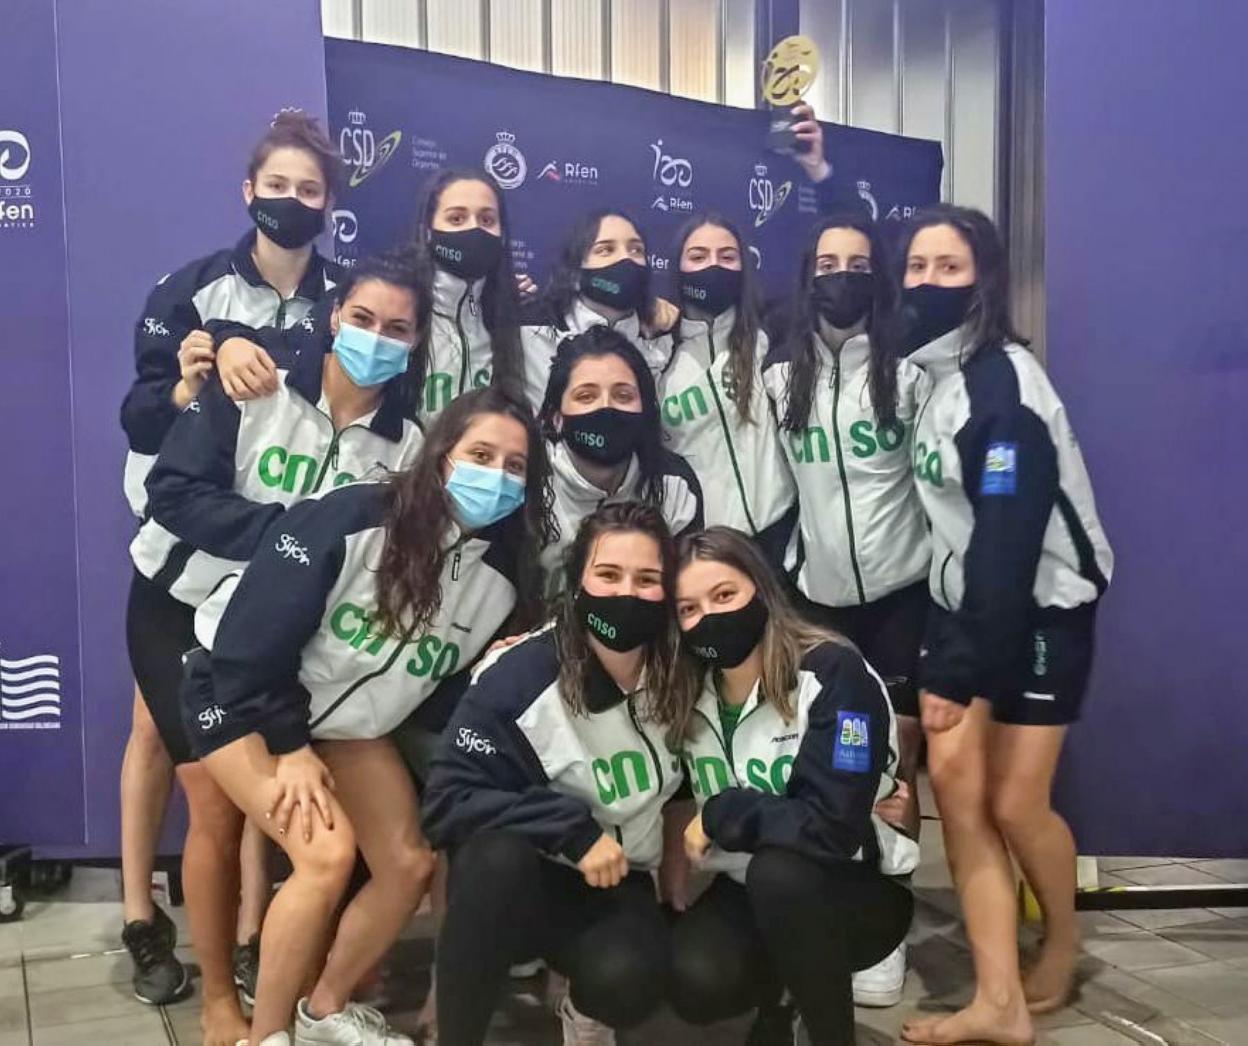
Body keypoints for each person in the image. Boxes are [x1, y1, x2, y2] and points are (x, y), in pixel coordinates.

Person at [183, 388, 553, 1046]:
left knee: (409, 863)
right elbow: (248, 641)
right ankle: (266, 1037)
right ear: (441, 457)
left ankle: (322, 1010)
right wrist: (291, 747)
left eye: (516, 466)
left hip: (347, 729)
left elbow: (435, 692)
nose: (496, 475)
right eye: (481, 454)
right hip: (241, 698)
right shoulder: (354, 516)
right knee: (325, 857)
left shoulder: (500, 579)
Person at [131, 253, 425, 1046]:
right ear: (334, 317)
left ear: (417, 341)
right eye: (363, 319)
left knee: (305, 822)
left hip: (289, 643)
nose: (376, 338)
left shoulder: (408, 449)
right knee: (216, 808)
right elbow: (172, 492)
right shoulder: (257, 381)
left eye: (398, 328)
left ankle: (292, 989)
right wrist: (295, 540)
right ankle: (220, 1002)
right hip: (179, 606)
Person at [116, 109, 343, 1008]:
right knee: (197, 780)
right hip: (181, 561)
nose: (292, 203)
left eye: (311, 190)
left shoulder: (343, 301)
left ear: (330, 205)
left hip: (274, 586)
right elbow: (138, 416)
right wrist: (189, 379)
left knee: (259, 776)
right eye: (277, 187)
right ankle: (164, 938)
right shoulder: (193, 289)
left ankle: (253, 938)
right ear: (249, 192)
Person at [897, 205, 1112, 1046]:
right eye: (916, 266)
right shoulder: (937, 375)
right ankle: (999, 1002)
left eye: (948, 268)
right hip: (971, 606)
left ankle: (1061, 941)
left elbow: (1010, 544)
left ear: (984, 278)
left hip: (1039, 611)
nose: (927, 283)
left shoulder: (1005, 387)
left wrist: (953, 676)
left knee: (1017, 804)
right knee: (956, 784)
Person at [423, 502, 686, 1046]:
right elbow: (448, 797)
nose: (626, 593)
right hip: (526, 875)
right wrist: (571, 831)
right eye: (608, 575)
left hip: (620, 877)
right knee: (495, 860)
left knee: (634, 980)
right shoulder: (520, 675)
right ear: (578, 581)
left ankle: (585, 1013)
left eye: (647, 579)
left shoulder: (683, 672)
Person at [761, 210, 929, 1006]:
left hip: (901, 596)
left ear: (878, 277)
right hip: (818, 599)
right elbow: (779, 491)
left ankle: (886, 930)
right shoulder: (779, 373)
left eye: (858, 264)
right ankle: (831, 903)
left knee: (895, 757)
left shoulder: (911, 370)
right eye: (829, 263)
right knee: (832, 757)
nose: (842, 276)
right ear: (807, 274)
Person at [669, 526, 916, 1046]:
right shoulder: (687, 691)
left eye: (724, 595)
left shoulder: (832, 673)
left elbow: (830, 827)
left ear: (760, 588)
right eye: (688, 608)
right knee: (693, 981)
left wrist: (721, 812)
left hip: (851, 885)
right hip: (741, 886)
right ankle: (780, 1000)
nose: (707, 616)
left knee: (781, 873)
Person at [660, 213, 797, 566]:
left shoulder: (771, 333)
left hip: (780, 535)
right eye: (698, 256)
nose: (713, 266)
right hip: (703, 547)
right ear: (678, 268)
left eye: (727, 257)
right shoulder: (657, 355)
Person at [536, 326, 703, 595]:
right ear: (557, 418)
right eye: (586, 396)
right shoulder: (529, 486)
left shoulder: (673, 483)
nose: (606, 407)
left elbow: (684, 596)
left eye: (623, 396)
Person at [521, 208, 675, 410]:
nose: (626, 259)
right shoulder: (527, 332)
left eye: (636, 249)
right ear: (575, 272)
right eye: (606, 250)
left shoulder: (666, 337)